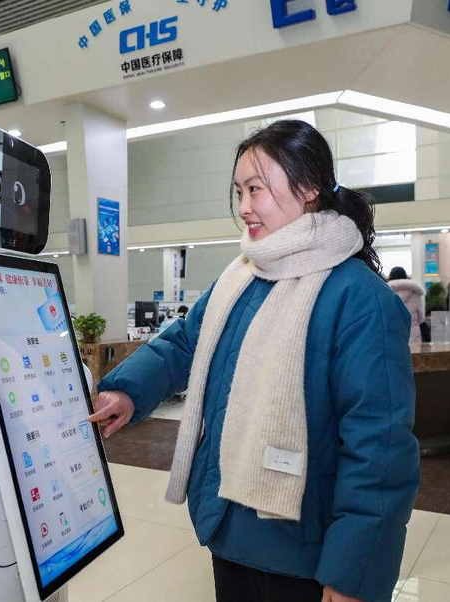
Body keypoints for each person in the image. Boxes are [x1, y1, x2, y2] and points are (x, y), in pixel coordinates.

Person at [88, 120, 419, 602]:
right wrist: (127, 390)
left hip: (304, 546)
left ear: (308, 188)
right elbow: (185, 343)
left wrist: (353, 572)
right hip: (230, 525)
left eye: (256, 189)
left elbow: (380, 450)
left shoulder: (358, 298)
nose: (244, 207)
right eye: (238, 191)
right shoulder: (241, 277)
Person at [387, 267, 425, 342]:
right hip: (413, 334)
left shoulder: (385, 292)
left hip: (392, 333)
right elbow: (420, 316)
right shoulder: (415, 293)